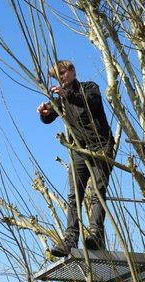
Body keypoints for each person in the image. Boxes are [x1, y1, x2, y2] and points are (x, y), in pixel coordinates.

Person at [37, 60, 115, 257]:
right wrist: (44, 114)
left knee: (98, 192)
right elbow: (50, 117)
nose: (61, 79)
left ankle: (96, 235)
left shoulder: (89, 87)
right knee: (74, 196)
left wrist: (67, 95)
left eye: (62, 74)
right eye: (57, 77)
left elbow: (91, 102)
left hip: (101, 146)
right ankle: (70, 239)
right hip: (79, 150)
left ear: (72, 70)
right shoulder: (61, 97)